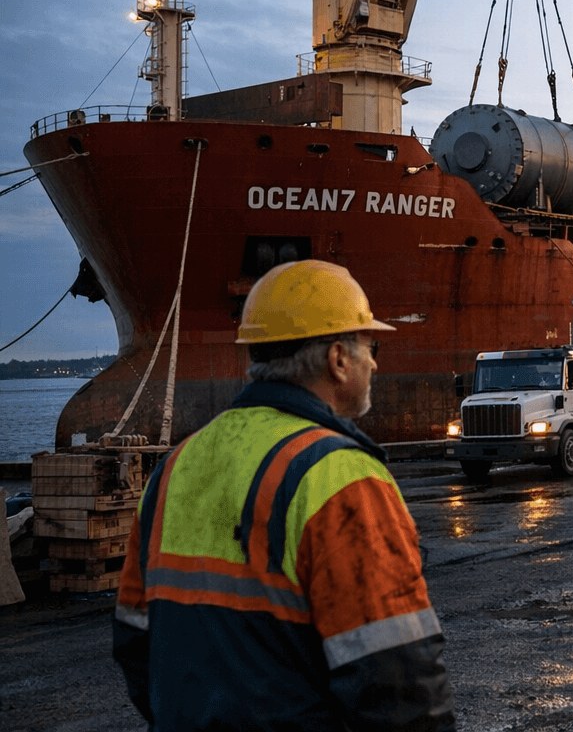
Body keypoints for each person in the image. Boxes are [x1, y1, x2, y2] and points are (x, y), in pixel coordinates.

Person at [113, 259, 456, 731]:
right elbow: (395, 677)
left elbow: (134, 639)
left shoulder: (176, 465)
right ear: (338, 359)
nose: (375, 362)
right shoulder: (341, 477)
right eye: (369, 346)